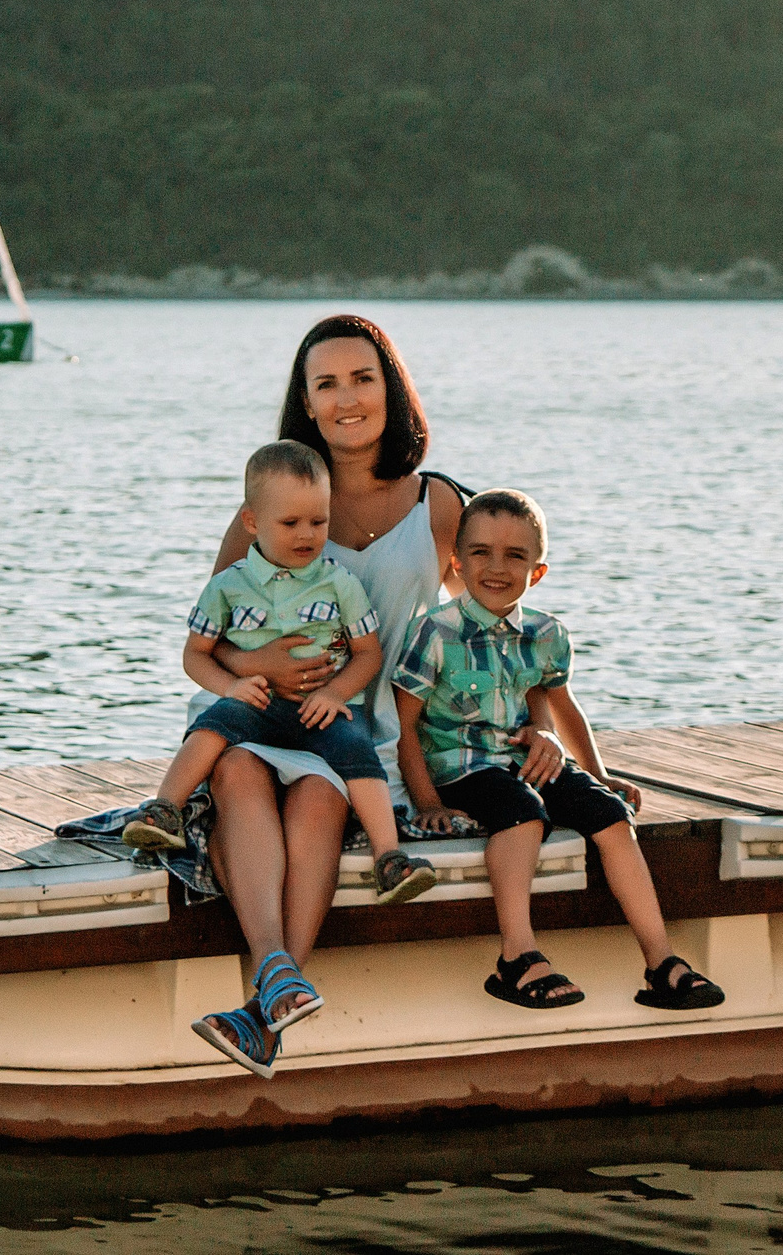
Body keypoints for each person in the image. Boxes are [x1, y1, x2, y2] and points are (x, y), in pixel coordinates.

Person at [185, 315, 469, 1077]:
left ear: (392, 389)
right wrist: (263, 660)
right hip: (254, 712)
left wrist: (559, 743)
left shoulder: (438, 506)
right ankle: (277, 985)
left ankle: (268, 996)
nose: (347, 397)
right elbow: (208, 638)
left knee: (318, 798)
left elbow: (500, 630)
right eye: (327, 383)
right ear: (305, 403)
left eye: (363, 377)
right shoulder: (270, 505)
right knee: (240, 777)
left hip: (358, 730)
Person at [392, 488, 725, 1012]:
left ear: (538, 571)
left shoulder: (547, 634)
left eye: (515, 555)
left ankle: (661, 960)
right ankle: (518, 956)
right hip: (460, 765)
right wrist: (427, 802)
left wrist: (598, 774)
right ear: (457, 562)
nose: (496, 567)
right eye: (480, 552)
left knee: (610, 815)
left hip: (530, 759)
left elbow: (562, 708)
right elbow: (403, 729)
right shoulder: (432, 634)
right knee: (523, 815)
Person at [121, 439, 437, 912]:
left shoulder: (339, 583)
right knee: (213, 725)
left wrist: (335, 693)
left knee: (359, 754)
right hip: (260, 704)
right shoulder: (228, 587)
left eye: (318, 521)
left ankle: (389, 856)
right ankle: (165, 809)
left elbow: (368, 655)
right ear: (252, 522)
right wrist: (231, 686)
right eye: (290, 523)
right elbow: (196, 654)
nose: (307, 534)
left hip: (323, 709)